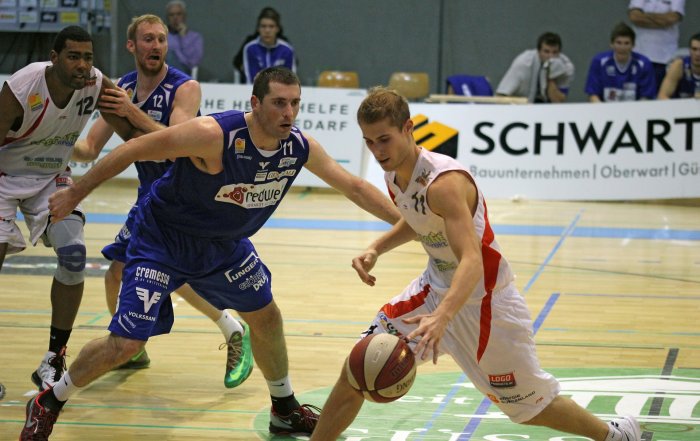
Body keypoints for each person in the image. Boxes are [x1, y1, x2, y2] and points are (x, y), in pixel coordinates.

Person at [20, 67, 401, 440]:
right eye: (279, 103)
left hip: (223, 245)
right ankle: (48, 402)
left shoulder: (298, 146)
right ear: (255, 103)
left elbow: (354, 187)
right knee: (127, 344)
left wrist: (410, 223)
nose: (289, 113)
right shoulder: (215, 134)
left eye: (295, 103)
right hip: (164, 239)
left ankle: (284, 410)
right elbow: (134, 147)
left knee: (266, 318)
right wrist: (76, 192)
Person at [308, 87, 642, 441]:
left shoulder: (444, 183)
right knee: (360, 367)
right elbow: (419, 220)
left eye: (384, 140)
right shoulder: (395, 175)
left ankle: (615, 436)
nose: (377, 151)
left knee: (528, 408)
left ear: (408, 128)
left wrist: (443, 316)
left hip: (485, 304)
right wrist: (377, 247)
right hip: (433, 292)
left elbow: (473, 260)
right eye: (369, 142)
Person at [72, 14, 253, 386]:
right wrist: (49, 142)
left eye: (161, 39)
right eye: (148, 39)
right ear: (131, 46)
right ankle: (133, 348)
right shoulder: (123, 86)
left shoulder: (184, 87)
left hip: (186, 194)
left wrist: (130, 111)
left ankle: (233, 328)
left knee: (171, 271)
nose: (155, 45)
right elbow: (89, 148)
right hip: (150, 197)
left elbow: (177, 143)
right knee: (117, 273)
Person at [0, 26, 135, 393]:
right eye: (74, 56)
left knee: (74, 256)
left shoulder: (97, 84)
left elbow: (133, 136)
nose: (82, 65)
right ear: (54, 57)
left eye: (88, 57)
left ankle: (53, 358)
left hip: (51, 178)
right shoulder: (24, 85)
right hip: (4, 176)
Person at [585, 22, 657, 102]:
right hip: (605, 108)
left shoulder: (643, 64)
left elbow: (646, 97)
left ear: (633, 45)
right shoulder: (599, 62)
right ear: (611, 44)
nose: (622, 48)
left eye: (627, 43)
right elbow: (593, 95)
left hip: (635, 108)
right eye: (618, 43)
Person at [495, 32, 574, 103]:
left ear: (560, 53)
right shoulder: (523, 63)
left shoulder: (566, 67)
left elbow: (558, 102)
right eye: (546, 52)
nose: (551, 57)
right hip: (520, 108)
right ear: (538, 51)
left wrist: (551, 77)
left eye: (555, 52)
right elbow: (500, 96)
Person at [628, 0, 685, 91]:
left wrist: (644, 16)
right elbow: (635, 17)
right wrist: (662, 19)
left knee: (661, 95)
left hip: (666, 58)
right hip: (639, 56)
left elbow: (671, 19)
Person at [232, 7, 296, 84]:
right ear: (258, 28)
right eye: (263, 26)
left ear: (278, 29)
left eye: (271, 26)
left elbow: (290, 81)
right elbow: (250, 80)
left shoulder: (287, 50)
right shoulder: (250, 48)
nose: (267, 30)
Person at [164, 0, 203, 77]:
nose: (175, 17)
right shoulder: (162, 36)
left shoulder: (195, 37)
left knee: (171, 54)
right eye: (171, 15)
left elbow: (193, 62)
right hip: (161, 72)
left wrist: (184, 38)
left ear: (184, 16)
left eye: (178, 14)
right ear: (168, 18)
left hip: (183, 73)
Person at [658, 32, 700, 99]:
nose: (698, 54)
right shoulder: (679, 65)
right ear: (689, 50)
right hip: (681, 104)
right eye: (694, 49)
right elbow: (662, 95)